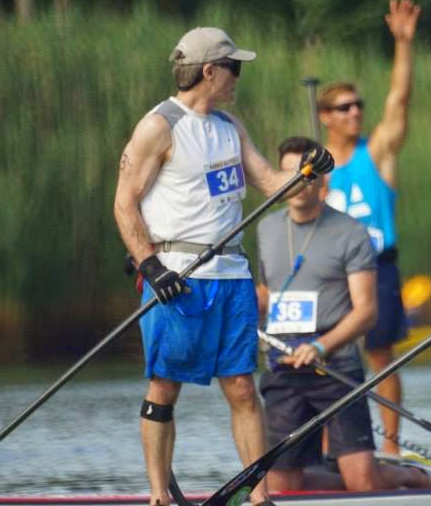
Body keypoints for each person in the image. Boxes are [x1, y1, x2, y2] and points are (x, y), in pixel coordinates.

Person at [114, 27, 332, 506]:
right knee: (165, 385)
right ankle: (159, 497)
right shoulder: (159, 125)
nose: (239, 77)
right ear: (209, 71)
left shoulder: (230, 126)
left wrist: (307, 174)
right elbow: (124, 202)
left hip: (231, 274)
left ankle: (258, 496)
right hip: (177, 275)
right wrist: (151, 267)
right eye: (234, 68)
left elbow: (269, 181)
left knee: (240, 387)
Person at [255, 136, 430, 492]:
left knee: (362, 482)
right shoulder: (266, 228)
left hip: (334, 368)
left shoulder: (351, 232)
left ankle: (410, 476)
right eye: (289, 172)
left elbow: (366, 312)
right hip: (283, 367)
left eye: (306, 173)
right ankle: (337, 484)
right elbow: (266, 294)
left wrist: (321, 347)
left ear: (324, 180)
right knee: (282, 488)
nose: (297, 180)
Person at [319, 0, 422, 455]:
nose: (355, 112)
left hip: (376, 267)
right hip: (329, 274)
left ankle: (393, 451)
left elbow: (398, 101)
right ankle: (324, 450)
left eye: (358, 105)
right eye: (344, 108)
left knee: (380, 358)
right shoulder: (313, 167)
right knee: (326, 361)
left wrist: (403, 44)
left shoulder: (376, 151)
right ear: (325, 117)